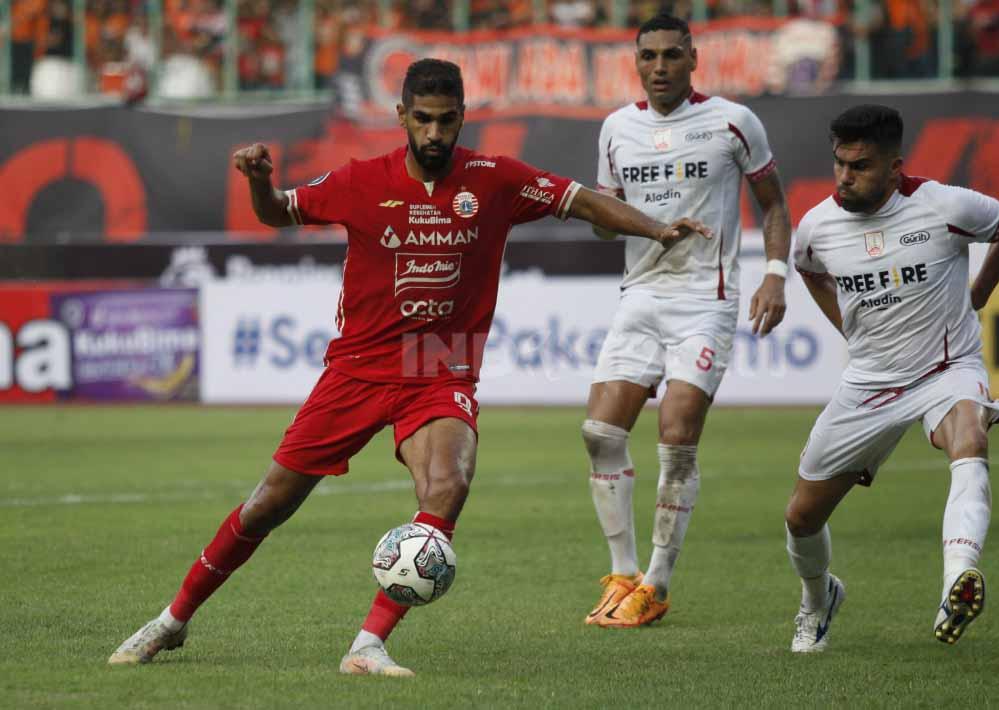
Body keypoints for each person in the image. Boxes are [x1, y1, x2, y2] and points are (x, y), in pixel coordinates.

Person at [108, 58, 710, 677]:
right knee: (268, 504)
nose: (434, 134)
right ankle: (172, 621)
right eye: (422, 120)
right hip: (358, 369)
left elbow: (582, 201)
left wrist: (658, 228)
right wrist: (259, 182)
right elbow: (278, 212)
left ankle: (367, 644)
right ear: (401, 117)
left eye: (446, 121)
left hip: (440, 368)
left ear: (462, 118)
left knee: (448, 484)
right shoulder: (361, 179)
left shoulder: (495, 178)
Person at [786, 104, 999, 652]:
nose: (845, 178)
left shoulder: (944, 205)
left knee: (970, 439)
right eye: (839, 164)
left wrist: (980, 294)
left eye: (860, 166)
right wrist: (847, 326)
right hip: (869, 383)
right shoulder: (818, 225)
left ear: (895, 166)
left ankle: (955, 582)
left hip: (947, 369)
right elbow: (808, 268)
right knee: (801, 518)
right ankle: (817, 599)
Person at [582, 14, 792, 629]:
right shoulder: (618, 128)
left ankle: (659, 583)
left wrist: (776, 271)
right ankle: (623, 573)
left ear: (694, 58)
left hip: (707, 298)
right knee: (599, 432)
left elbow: (773, 201)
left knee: (676, 437)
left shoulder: (733, 121)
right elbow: (602, 216)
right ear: (637, 61)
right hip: (641, 294)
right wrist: (620, 217)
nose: (660, 67)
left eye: (672, 55)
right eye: (648, 56)